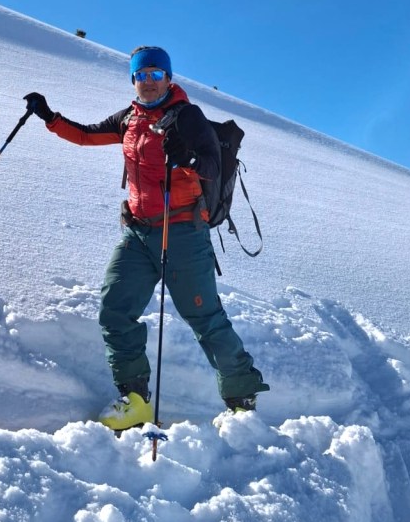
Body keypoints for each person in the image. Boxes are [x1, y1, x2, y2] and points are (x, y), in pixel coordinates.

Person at [24, 45, 269, 430]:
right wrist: (50, 117)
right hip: (138, 232)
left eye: (156, 74)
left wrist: (187, 158)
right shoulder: (129, 118)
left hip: (183, 231)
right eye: (142, 75)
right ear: (133, 80)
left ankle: (242, 399)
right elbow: (86, 136)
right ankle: (135, 399)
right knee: (115, 309)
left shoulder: (187, 116)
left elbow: (210, 161)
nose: (149, 81)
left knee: (204, 317)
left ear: (169, 79)